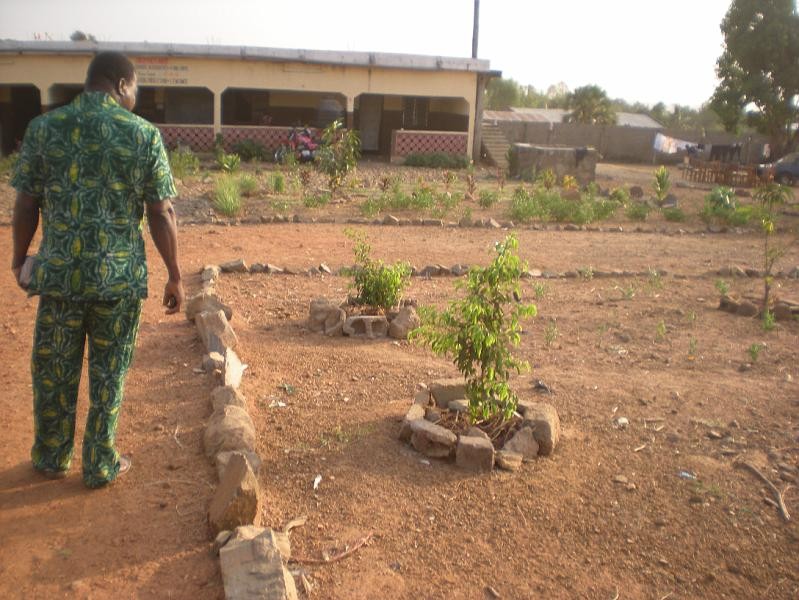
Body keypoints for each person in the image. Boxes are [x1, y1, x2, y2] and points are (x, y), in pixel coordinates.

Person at [10, 51, 184, 488]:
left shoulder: (44, 128)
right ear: (122, 84)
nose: (135, 97)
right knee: (109, 374)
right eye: (136, 89)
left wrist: (19, 257)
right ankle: (99, 463)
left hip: (60, 278)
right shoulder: (142, 134)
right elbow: (161, 212)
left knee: (54, 371)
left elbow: (26, 203)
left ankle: (52, 457)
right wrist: (175, 274)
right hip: (117, 283)